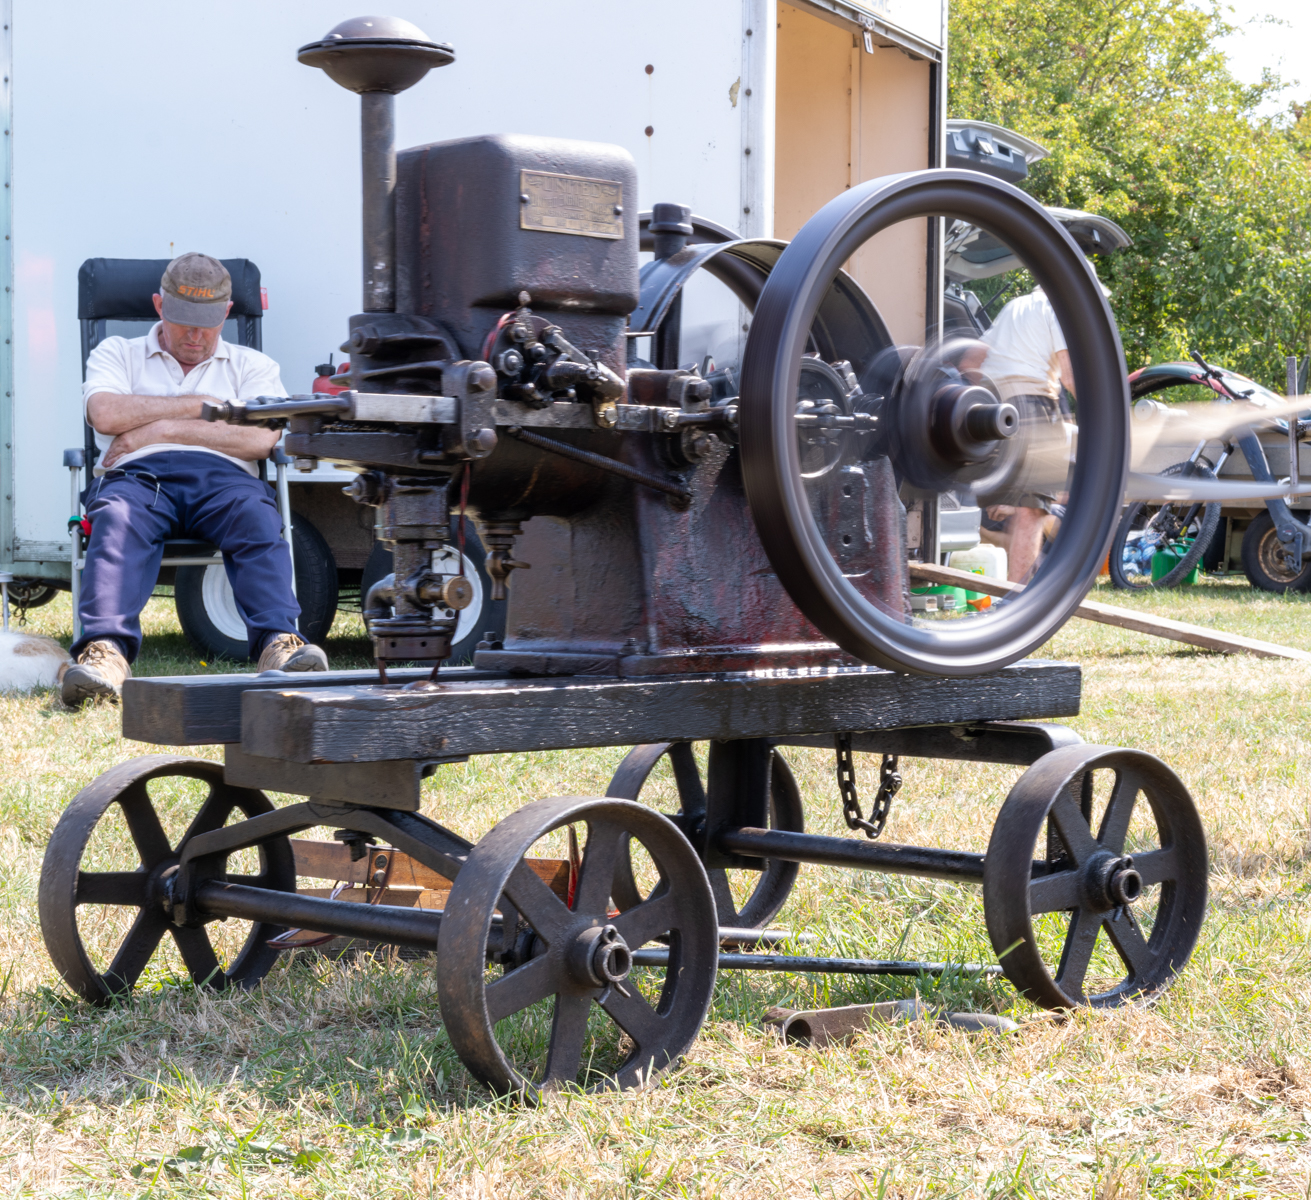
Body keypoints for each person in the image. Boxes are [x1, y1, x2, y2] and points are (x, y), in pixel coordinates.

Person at [61, 253, 329, 707]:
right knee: (118, 518)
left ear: (226, 312)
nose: (194, 335)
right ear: (157, 305)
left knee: (256, 517)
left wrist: (159, 428)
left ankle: (279, 645)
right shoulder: (117, 352)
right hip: (138, 477)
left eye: (206, 323)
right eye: (183, 320)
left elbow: (263, 439)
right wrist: (197, 404)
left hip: (225, 479)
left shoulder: (253, 366)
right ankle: (105, 654)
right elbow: (104, 413)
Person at [960, 286, 1078, 582]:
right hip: (1035, 401)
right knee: (1033, 509)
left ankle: (1012, 588)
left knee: (1010, 506)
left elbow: (970, 362)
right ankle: (1017, 599)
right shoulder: (1059, 308)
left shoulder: (1015, 307)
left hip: (995, 408)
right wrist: (1107, 419)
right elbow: (1071, 377)